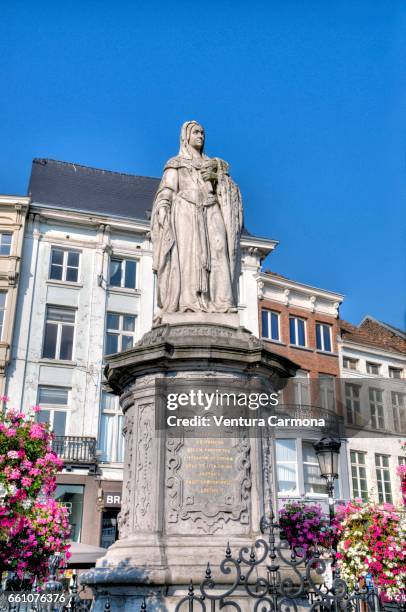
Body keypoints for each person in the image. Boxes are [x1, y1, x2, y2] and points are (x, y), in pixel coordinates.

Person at [151, 121, 243, 316]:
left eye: (202, 133)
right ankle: (189, 301)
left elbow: (227, 192)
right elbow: (167, 190)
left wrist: (220, 178)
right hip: (186, 210)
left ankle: (222, 303)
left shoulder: (213, 165)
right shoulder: (175, 163)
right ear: (186, 136)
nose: (200, 136)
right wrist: (163, 209)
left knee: (219, 250)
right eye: (196, 133)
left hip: (211, 209)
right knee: (189, 255)